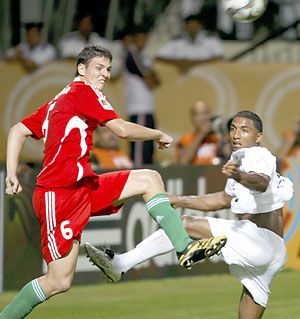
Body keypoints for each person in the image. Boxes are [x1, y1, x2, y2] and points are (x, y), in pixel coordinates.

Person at [1, 45, 226, 319]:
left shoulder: (59, 101)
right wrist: (156, 134)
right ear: (81, 70)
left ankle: (184, 248)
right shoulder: (82, 92)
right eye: (99, 67)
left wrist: (11, 171)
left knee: (149, 178)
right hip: (57, 194)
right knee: (59, 281)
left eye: (108, 69)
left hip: (84, 186)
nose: (105, 74)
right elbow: (121, 129)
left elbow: (18, 129)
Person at [85, 111, 294, 319]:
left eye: (245, 130)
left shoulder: (257, 155)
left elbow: (261, 181)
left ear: (258, 137)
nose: (237, 135)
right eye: (233, 129)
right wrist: (180, 200)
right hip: (274, 251)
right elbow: (222, 200)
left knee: (183, 224)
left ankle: (121, 264)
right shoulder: (240, 159)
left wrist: (240, 175)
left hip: (258, 241)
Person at [123, 25, 160, 166]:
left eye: (145, 37)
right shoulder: (133, 54)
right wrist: (150, 76)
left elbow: (156, 81)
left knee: (148, 151)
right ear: (133, 39)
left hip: (146, 109)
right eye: (139, 38)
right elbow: (151, 81)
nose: (143, 41)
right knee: (140, 154)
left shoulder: (143, 56)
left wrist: (151, 77)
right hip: (139, 109)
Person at [58, 13, 122, 77]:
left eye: (88, 24)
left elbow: (113, 57)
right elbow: (69, 59)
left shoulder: (100, 42)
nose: (86, 27)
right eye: (83, 24)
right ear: (78, 25)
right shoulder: (68, 41)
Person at [156, 14, 223, 73]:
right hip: (182, 75)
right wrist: (178, 63)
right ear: (185, 27)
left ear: (200, 26)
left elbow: (220, 58)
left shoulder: (210, 40)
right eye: (190, 26)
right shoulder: (177, 41)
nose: (192, 29)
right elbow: (159, 58)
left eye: (194, 26)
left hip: (206, 74)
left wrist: (192, 64)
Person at [175, 100, 221, 165]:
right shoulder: (184, 139)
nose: (202, 118)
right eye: (197, 114)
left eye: (205, 113)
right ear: (192, 118)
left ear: (210, 115)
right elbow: (182, 163)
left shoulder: (218, 137)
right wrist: (201, 134)